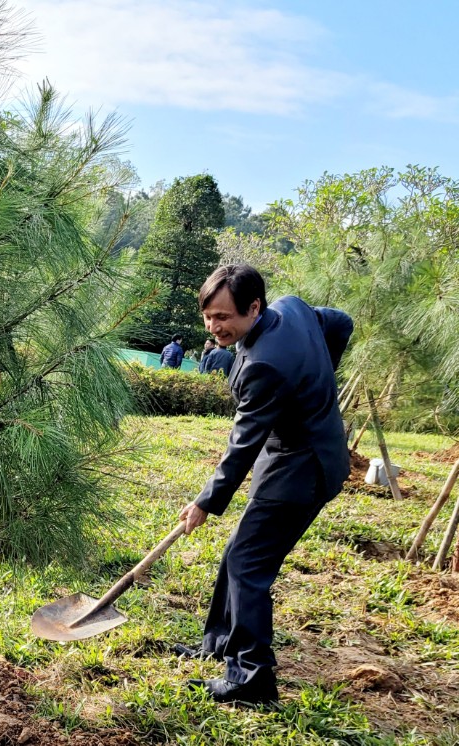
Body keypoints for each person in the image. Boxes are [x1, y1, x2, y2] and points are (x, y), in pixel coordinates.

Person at [175, 264, 353, 705]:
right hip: (299, 450)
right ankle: (217, 642)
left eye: (224, 317)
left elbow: (242, 447)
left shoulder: (265, 365)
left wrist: (204, 502)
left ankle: (252, 677)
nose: (214, 327)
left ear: (255, 307)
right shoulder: (292, 308)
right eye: (208, 316)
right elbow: (340, 322)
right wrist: (319, 376)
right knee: (240, 550)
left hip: (303, 466)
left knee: (248, 565)